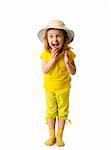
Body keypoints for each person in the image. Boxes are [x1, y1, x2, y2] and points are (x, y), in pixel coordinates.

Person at [37, 20, 76, 147]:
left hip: (64, 88)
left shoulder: (68, 54)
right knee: (51, 111)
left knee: (63, 111)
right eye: (51, 36)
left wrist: (67, 62)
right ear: (47, 40)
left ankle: (59, 136)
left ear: (64, 38)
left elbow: (73, 72)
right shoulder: (46, 54)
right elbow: (45, 70)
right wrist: (53, 59)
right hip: (49, 88)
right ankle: (51, 135)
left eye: (58, 36)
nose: (55, 39)